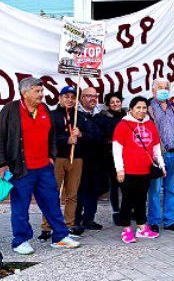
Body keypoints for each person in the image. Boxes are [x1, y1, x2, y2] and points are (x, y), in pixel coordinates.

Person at [0, 77, 80, 254]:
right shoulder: (10, 110)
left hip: (44, 167)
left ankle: (60, 237)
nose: (41, 94)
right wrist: (0, 164)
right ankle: (21, 240)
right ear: (25, 93)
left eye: (42, 91)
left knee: (51, 202)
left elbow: (52, 135)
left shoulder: (44, 108)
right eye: (37, 91)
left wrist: (51, 156)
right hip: (21, 168)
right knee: (21, 206)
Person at [113, 96, 165, 243]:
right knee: (127, 201)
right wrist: (119, 169)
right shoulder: (123, 125)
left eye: (144, 108)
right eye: (138, 108)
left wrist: (161, 165)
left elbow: (156, 149)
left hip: (145, 170)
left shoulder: (150, 124)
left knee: (142, 200)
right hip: (128, 171)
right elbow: (117, 149)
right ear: (131, 109)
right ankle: (126, 230)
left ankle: (142, 228)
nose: (141, 111)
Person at [41, 86, 86, 239]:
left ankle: (69, 225)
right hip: (57, 158)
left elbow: (91, 136)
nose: (69, 100)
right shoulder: (51, 115)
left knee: (72, 194)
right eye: (66, 96)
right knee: (52, 193)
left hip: (76, 158)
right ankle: (46, 227)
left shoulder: (80, 116)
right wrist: (66, 139)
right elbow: (47, 137)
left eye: (73, 97)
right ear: (59, 98)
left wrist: (81, 134)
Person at [147, 78, 174, 233]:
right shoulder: (149, 108)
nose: (163, 90)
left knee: (171, 189)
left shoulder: (173, 108)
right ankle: (154, 221)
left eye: (166, 87)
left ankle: (170, 221)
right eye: (160, 87)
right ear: (153, 90)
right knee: (155, 190)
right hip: (158, 156)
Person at [75, 86, 106, 231]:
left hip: (97, 159)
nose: (93, 98)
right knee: (79, 190)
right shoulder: (76, 115)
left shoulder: (100, 115)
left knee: (93, 190)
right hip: (80, 158)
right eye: (88, 96)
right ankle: (75, 219)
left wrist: (86, 136)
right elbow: (78, 137)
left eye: (95, 96)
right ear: (82, 98)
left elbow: (102, 137)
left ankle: (89, 218)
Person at [101, 92, 126, 225]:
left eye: (117, 101)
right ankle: (116, 211)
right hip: (111, 155)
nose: (115, 104)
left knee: (127, 184)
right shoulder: (104, 117)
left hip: (127, 154)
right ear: (108, 105)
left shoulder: (127, 116)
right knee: (115, 184)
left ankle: (127, 209)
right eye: (112, 102)